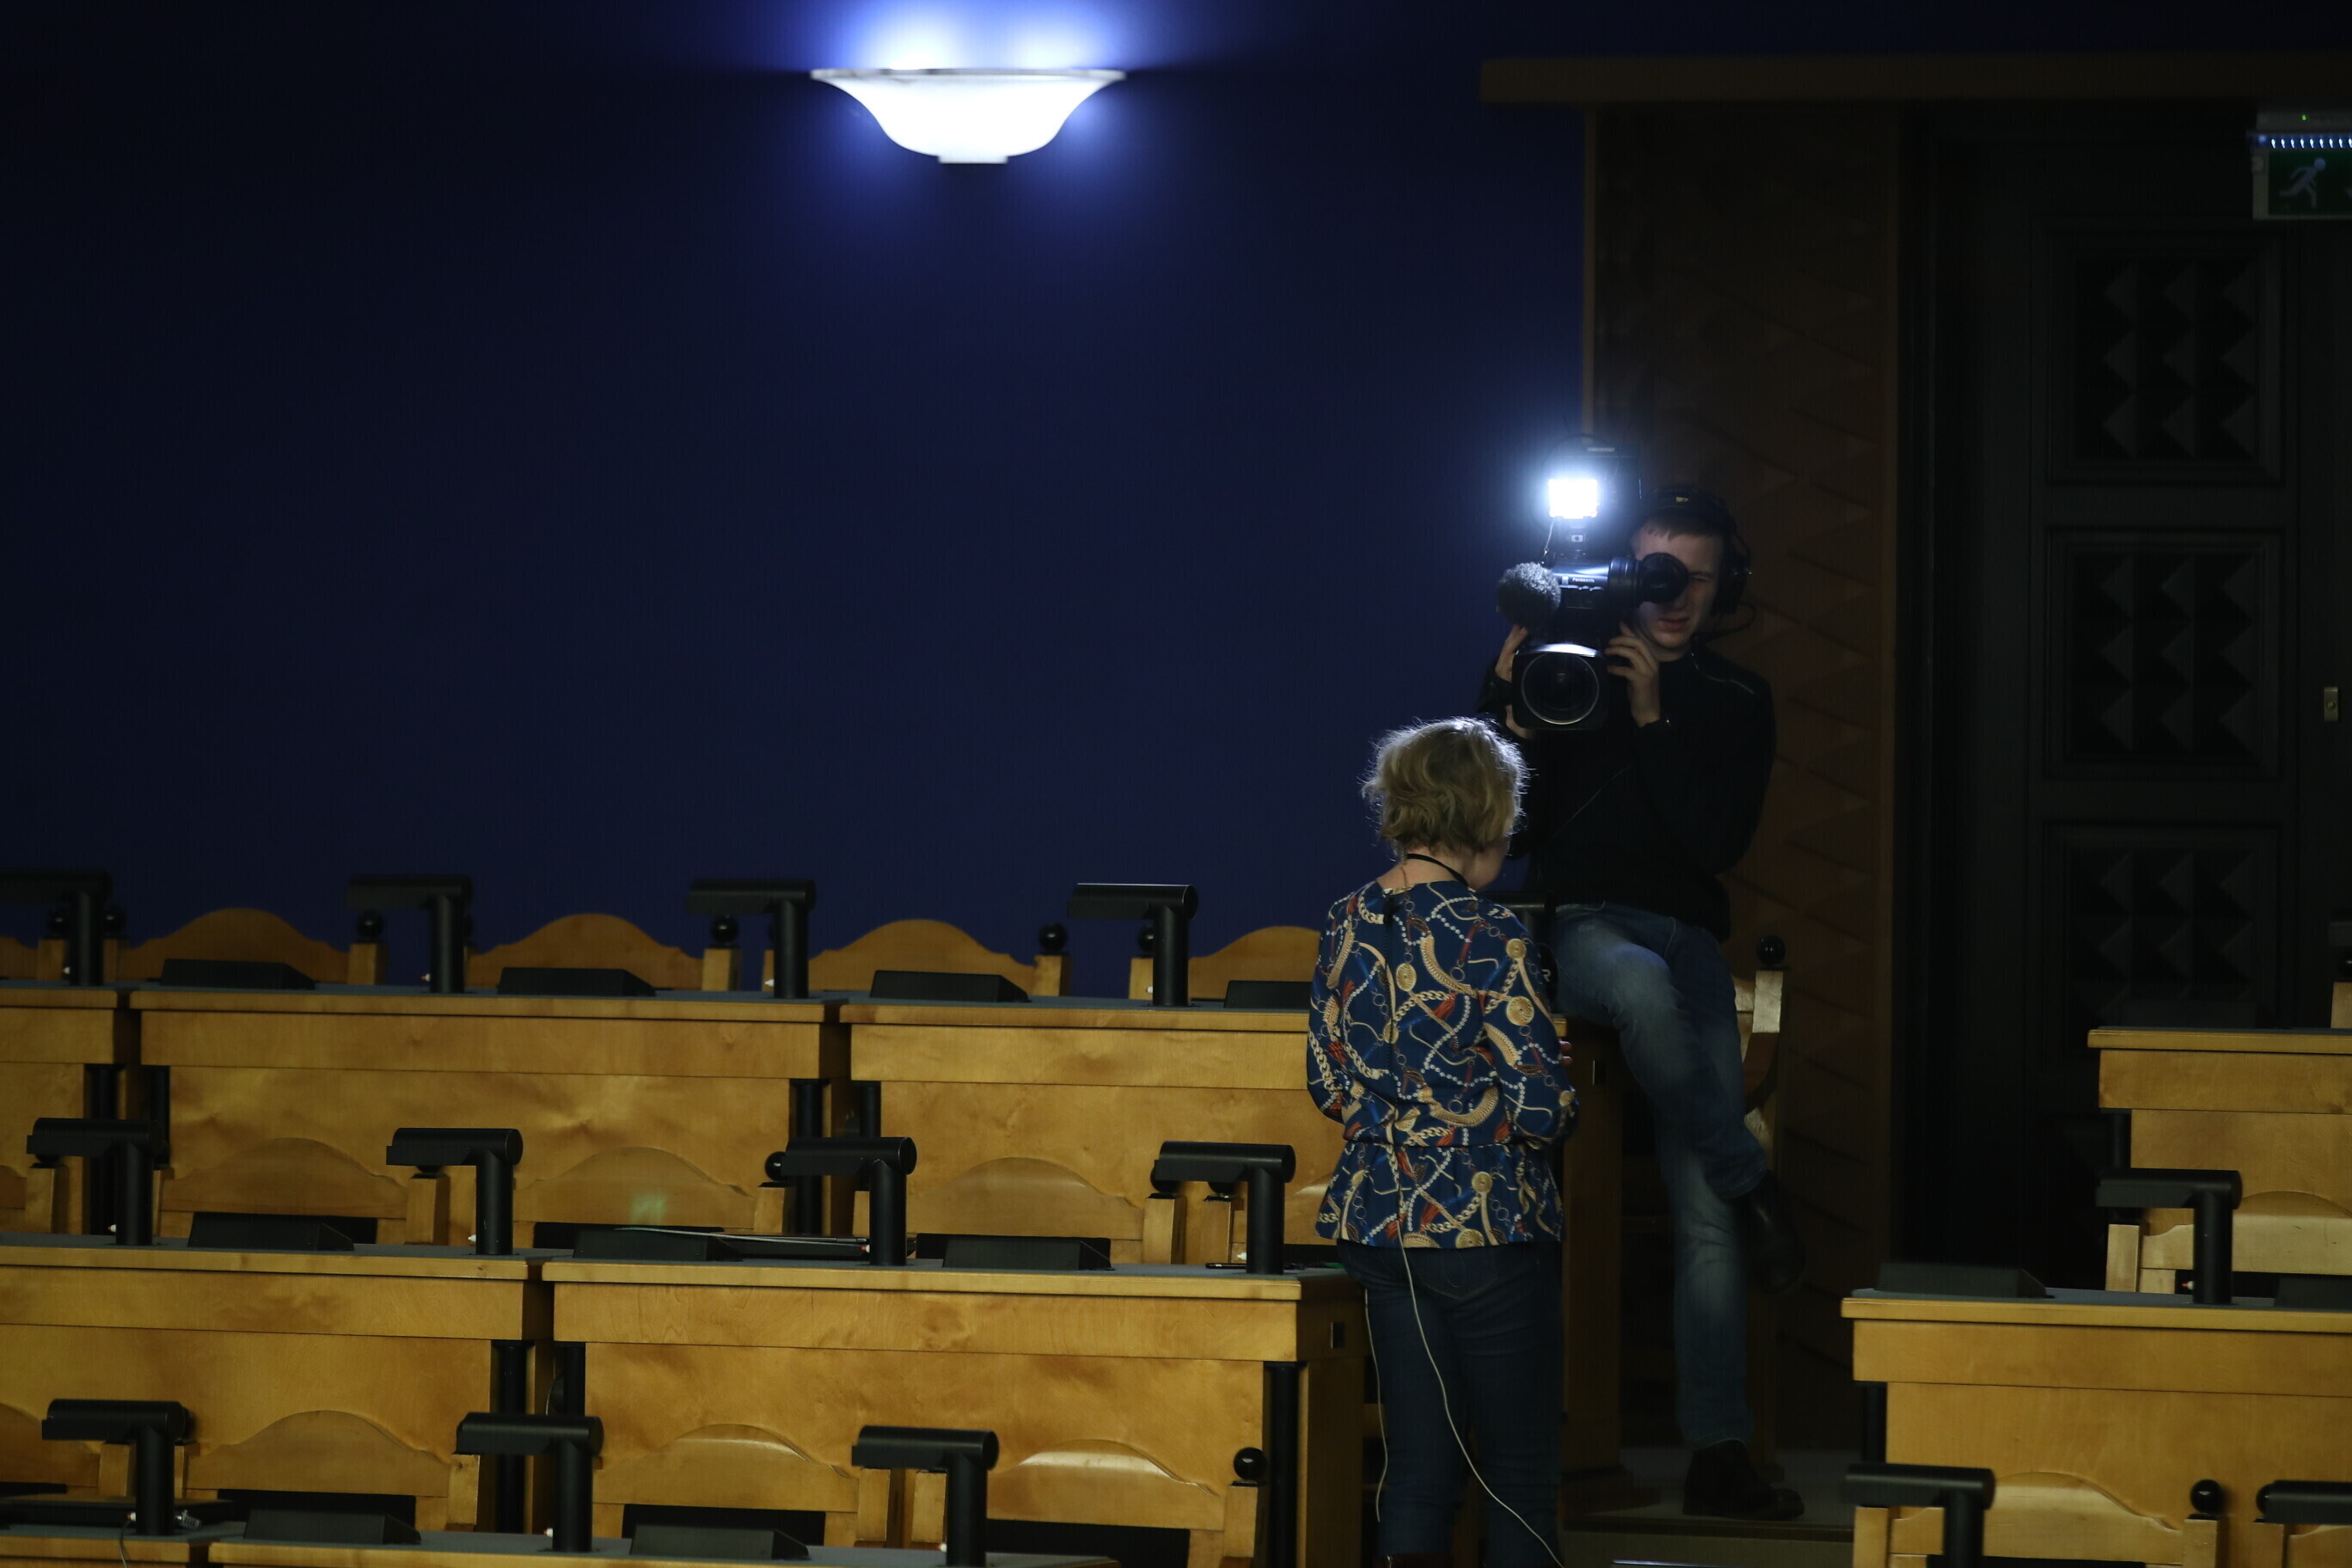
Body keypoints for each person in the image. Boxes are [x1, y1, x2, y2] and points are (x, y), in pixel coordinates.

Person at [1480, 483, 1805, 1521]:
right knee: (1638, 983)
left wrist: (1658, 716)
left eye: (1696, 578)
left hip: (1686, 934)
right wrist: (1502, 704)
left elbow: (1713, 845)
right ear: (1625, 573)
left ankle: (1719, 1454)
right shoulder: (1566, 667)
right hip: (1583, 926)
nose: (1673, 595)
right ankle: (1754, 1178)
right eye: (1656, 573)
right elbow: (1503, 835)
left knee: (1702, 1215)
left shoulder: (1736, 698)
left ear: (1725, 585)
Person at [1308, 717, 1577, 1568]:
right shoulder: (1490, 933)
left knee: (1420, 1472)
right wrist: (1538, 1069)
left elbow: (1328, 1084)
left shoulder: (1344, 920)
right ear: (1489, 813)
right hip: (1483, 1224)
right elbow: (1543, 1112)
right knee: (1519, 1475)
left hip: (1379, 1223)